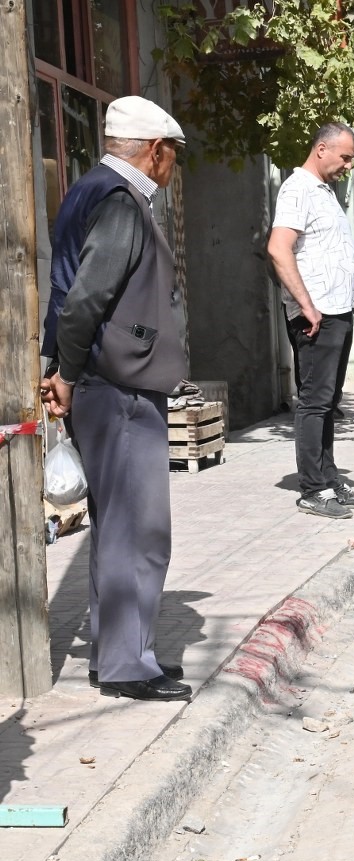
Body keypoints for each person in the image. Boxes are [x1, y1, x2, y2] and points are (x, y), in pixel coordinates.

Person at [38, 97, 193, 702]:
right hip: (117, 388)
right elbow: (85, 299)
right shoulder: (123, 201)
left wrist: (61, 367)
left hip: (102, 383)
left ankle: (118, 648)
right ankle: (128, 665)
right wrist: (69, 373)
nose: (172, 166)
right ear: (155, 151)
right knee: (141, 528)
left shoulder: (87, 189)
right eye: (172, 155)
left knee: (118, 525)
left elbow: (65, 287)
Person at [267, 123, 354, 520]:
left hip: (336, 310)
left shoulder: (325, 192)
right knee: (313, 402)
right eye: (345, 157)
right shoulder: (297, 189)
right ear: (322, 149)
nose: (347, 165)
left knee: (329, 401)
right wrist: (306, 304)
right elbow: (279, 249)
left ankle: (329, 477)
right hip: (317, 314)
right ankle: (312, 489)